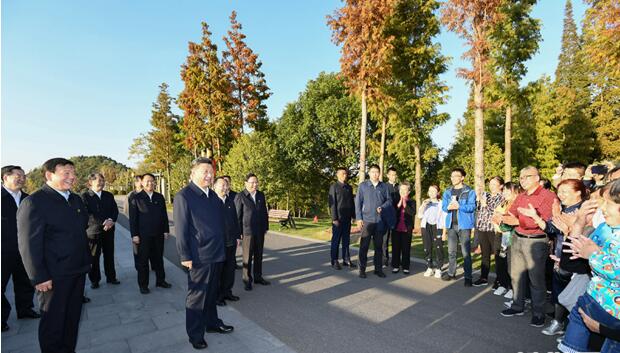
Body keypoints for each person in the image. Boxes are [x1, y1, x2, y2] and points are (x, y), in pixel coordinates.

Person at [17, 158, 90, 353]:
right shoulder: (34, 202)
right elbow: (28, 245)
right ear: (49, 175)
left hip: (77, 270)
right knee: (54, 323)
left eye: (73, 173)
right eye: (66, 173)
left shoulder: (74, 199)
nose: (72, 177)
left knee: (72, 319)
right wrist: (39, 277)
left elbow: (81, 228)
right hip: (53, 276)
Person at [174, 158, 234, 350]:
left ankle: (212, 323)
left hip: (217, 252)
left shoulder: (213, 196)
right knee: (197, 296)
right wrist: (185, 256)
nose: (209, 175)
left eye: (211, 172)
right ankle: (195, 334)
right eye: (204, 171)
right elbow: (181, 229)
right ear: (193, 173)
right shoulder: (184, 196)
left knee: (211, 293)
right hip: (199, 256)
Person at [558, 179, 620, 353]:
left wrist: (604, 330)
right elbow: (572, 263)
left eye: (608, 203)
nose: (603, 209)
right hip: (593, 309)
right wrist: (578, 224)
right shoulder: (605, 229)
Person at [500, 166, 558, 328]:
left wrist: (519, 221)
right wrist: (503, 217)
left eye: (526, 177)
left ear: (537, 178)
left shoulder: (548, 196)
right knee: (515, 274)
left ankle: (538, 312)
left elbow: (546, 221)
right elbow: (511, 213)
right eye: (520, 177)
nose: (522, 180)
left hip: (536, 241)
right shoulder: (521, 196)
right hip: (517, 238)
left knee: (536, 278)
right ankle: (517, 306)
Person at [2, 165, 39, 332]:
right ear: (5, 177)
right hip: (4, 250)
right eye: (18, 175)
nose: (22, 178)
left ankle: (25, 309)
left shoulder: (27, 198)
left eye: (23, 176)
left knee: (24, 280)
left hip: (24, 248)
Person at [129, 173, 171, 294]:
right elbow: (133, 219)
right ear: (141, 182)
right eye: (147, 181)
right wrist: (134, 235)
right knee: (143, 261)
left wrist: (166, 230)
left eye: (152, 181)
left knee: (158, 259)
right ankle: (143, 285)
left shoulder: (159, 197)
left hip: (158, 234)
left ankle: (161, 280)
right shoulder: (136, 198)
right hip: (143, 236)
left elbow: (164, 215)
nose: (150, 183)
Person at [81, 173, 120, 289]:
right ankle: (95, 280)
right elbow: (88, 214)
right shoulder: (85, 196)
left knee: (109, 255)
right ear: (91, 182)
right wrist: (104, 222)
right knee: (94, 257)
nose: (102, 183)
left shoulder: (108, 195)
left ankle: (111, 277)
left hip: (109, 230)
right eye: (99, 181)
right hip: (94, 232)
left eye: (103, 181)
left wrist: (111, 220)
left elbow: (115, 210)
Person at [355, 164, 393, 279]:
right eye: (372, 172)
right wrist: (359, 218)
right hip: (367, 221)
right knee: (364, 246)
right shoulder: (363, 186)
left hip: (380, 222)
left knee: (379, 247)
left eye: (377, 172)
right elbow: (358, 203)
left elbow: (389, 200)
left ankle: (378, 269)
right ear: (369, 173)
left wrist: (383, 206)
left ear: (379, 173)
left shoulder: (384, 187)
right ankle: (362, 269)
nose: (375, 174)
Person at [441, 167, 477, 286]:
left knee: (466, 253)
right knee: (451, 252)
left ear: (462, 177)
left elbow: (472, 207)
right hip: (451, 225)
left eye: (456, 176)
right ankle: (452, 273)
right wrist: (448, 207)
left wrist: (459, 206)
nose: (453, 178)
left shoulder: (469, 192)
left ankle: (468, 277)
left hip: (464, 226)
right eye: (452, 176)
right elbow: (444, 207)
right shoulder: (447, 191)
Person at [235, 173, 270, 291]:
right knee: (247, 257)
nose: (255, 185)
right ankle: (247, 280)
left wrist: (265, 227)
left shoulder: (261, 195)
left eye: (256, 182)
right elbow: (237, 216)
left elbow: (264, 212)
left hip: (259, 231)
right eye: (252, 182)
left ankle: (258, 277)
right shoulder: (241, 196)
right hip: (247, 232)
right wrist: (238, 233)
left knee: (259, 255)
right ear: (246, 183)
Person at [212, 177, 241, 306]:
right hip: (219, 243)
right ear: (215, 187)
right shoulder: (211, 202)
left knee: (230, 269)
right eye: (222, 185)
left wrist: (237, 236)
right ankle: (218, 296)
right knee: (219, 271)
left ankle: (227, 292)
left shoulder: (230, 201)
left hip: (231, 242)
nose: (225, 187)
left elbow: (235, 220)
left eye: (226, 185)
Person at [491, 182, 522, 298]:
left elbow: (510, 221)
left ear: (515, 191)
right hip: (500, 234)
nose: (504, 193)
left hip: (512, 236)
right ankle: (503, 284)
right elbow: (496, 216)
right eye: (504, 191)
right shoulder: (504, 202)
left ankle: (513, 287)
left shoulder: (518, 204)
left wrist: (501, 219)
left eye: (507, 191)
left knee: (511, 264)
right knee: (500, 260)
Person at [473, 177, 505, 287]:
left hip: (494, 229)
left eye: (494, 184)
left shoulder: (502, 197)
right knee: (485, 254)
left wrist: (485, 204)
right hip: (483, 228)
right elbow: (478, 209)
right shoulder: (486, 195)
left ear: (501, 186)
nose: (491, 186)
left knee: (497, 255)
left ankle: (499, 279)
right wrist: (478, 200)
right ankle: (483, 277)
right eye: (490, 184)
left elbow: (496, 212)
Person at [328, 167, 356, 270]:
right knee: (336, 240)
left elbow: (351, 203)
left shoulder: (349, 187)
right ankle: (334, 260)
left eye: (346, 173)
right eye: (342, 173)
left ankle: (346, 259)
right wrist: (334, 218)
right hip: (338, 219)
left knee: (346, 240)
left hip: (347, 218)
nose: (345, 175)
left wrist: (353, 216)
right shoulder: (334, 187)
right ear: (338, 174)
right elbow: (332, 204)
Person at [418, 185, 446, 279]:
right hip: (426, 227)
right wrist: (423, 205)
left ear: (438, 192)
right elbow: (419, 215)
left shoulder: (441, 203)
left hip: (438, 227)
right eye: (430, 191)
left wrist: (444, 232)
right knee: (427, 247)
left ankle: (439, 268)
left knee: (438, 247)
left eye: (434, 191)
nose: (431, 193)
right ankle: (429, 267)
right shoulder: (426, 202)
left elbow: (445, 218)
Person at [391, 182, 415, 274]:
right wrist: (399, 204)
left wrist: (405, 203)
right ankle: (395, 265)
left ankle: (405, 266)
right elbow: (393, 212)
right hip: (396, 227)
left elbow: (412, 213)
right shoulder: (395, 201)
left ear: (408, 191)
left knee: (406, 248)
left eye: (405, 189)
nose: (403, 191)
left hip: (407, 228)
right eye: (401, 190)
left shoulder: (412, 201)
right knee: (396, 247)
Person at [222, 175, 242, 271]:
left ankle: (232, 264)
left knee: (231, 249)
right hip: (222, 231)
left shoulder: (235, 195)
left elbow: (237, 213)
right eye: (223, 182)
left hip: (233, 226)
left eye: (227, 182)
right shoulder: (214, 196)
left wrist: (238, 233)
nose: (225, 185)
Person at [384, 167, 399, 267]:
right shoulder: (384, 186)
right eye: (392, 175)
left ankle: (395, 260)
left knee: (396, 240)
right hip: (386, 217)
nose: (394, 177)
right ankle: (384, 260)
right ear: (388, 175)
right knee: (385, 240)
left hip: (397, 218)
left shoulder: (399, 187)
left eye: (395, 175)